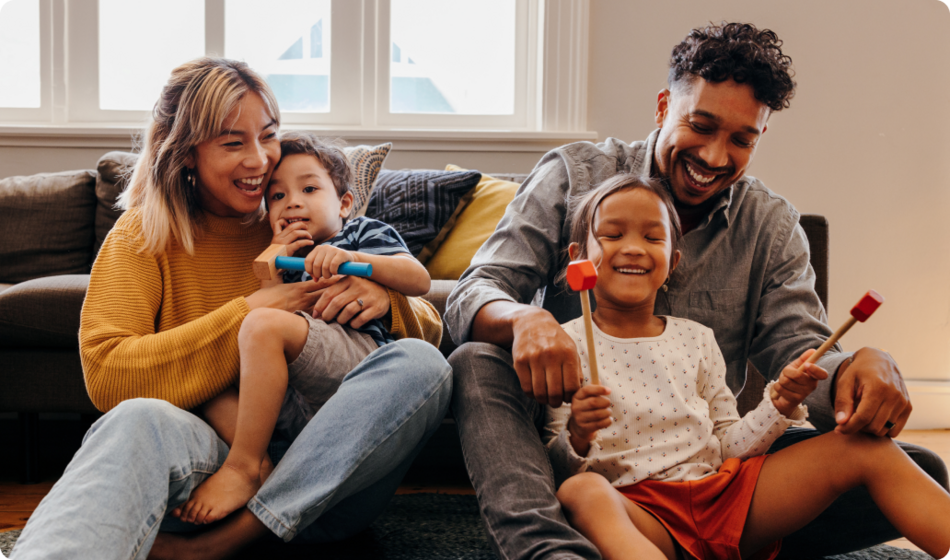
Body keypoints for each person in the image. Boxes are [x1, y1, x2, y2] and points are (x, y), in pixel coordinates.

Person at [444, 22, 949, 559]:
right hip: (579, 465)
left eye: (740, 139)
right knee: (476, 359)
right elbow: (477, 290)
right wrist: (525, 320)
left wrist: (853, 371)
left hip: (712, 467)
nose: (713, 156)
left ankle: (684, 542)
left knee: (917, 467)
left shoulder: (770, 225)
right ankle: (549, 545)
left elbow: (800, 349)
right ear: (664, 106)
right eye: (700, 126)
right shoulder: (574, 176)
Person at [10, 58, 451, 560]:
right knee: (136, 420)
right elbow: (107, 375)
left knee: (424, 365)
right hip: (218, 469)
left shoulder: (298, 221)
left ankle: (226, 543)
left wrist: (385, 300)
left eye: (268, 135)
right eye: (232, 142)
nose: (260, 160)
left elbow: (422, 331)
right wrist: (249, 311)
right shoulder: (141, 235)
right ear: (186, 153)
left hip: (339, 475)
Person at [545, 174, 950, 560]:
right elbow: (556, 468)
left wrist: (779, 405)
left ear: (673, 259)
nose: (633, 247)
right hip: (641, 514)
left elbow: (728, 447)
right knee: (581, 491)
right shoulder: (564, 344)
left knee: (864, 448)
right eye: (613, 235)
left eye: (653, 237)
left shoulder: (697, 338)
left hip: (724, 497)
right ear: (579, 257)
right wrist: (578, 434)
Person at [174, 132, 432, 525]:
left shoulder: (360, 232)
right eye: (276, 197)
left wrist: (354, 258)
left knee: (261, 325)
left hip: (354, 362)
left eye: (309, 189)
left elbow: (418, 279)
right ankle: (262, 468)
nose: (291, 201)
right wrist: (274, 257)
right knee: (207, 381)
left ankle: (240, 468)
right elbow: (267, 307)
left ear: (344, 203)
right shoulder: (281, 253)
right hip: (293, 395)